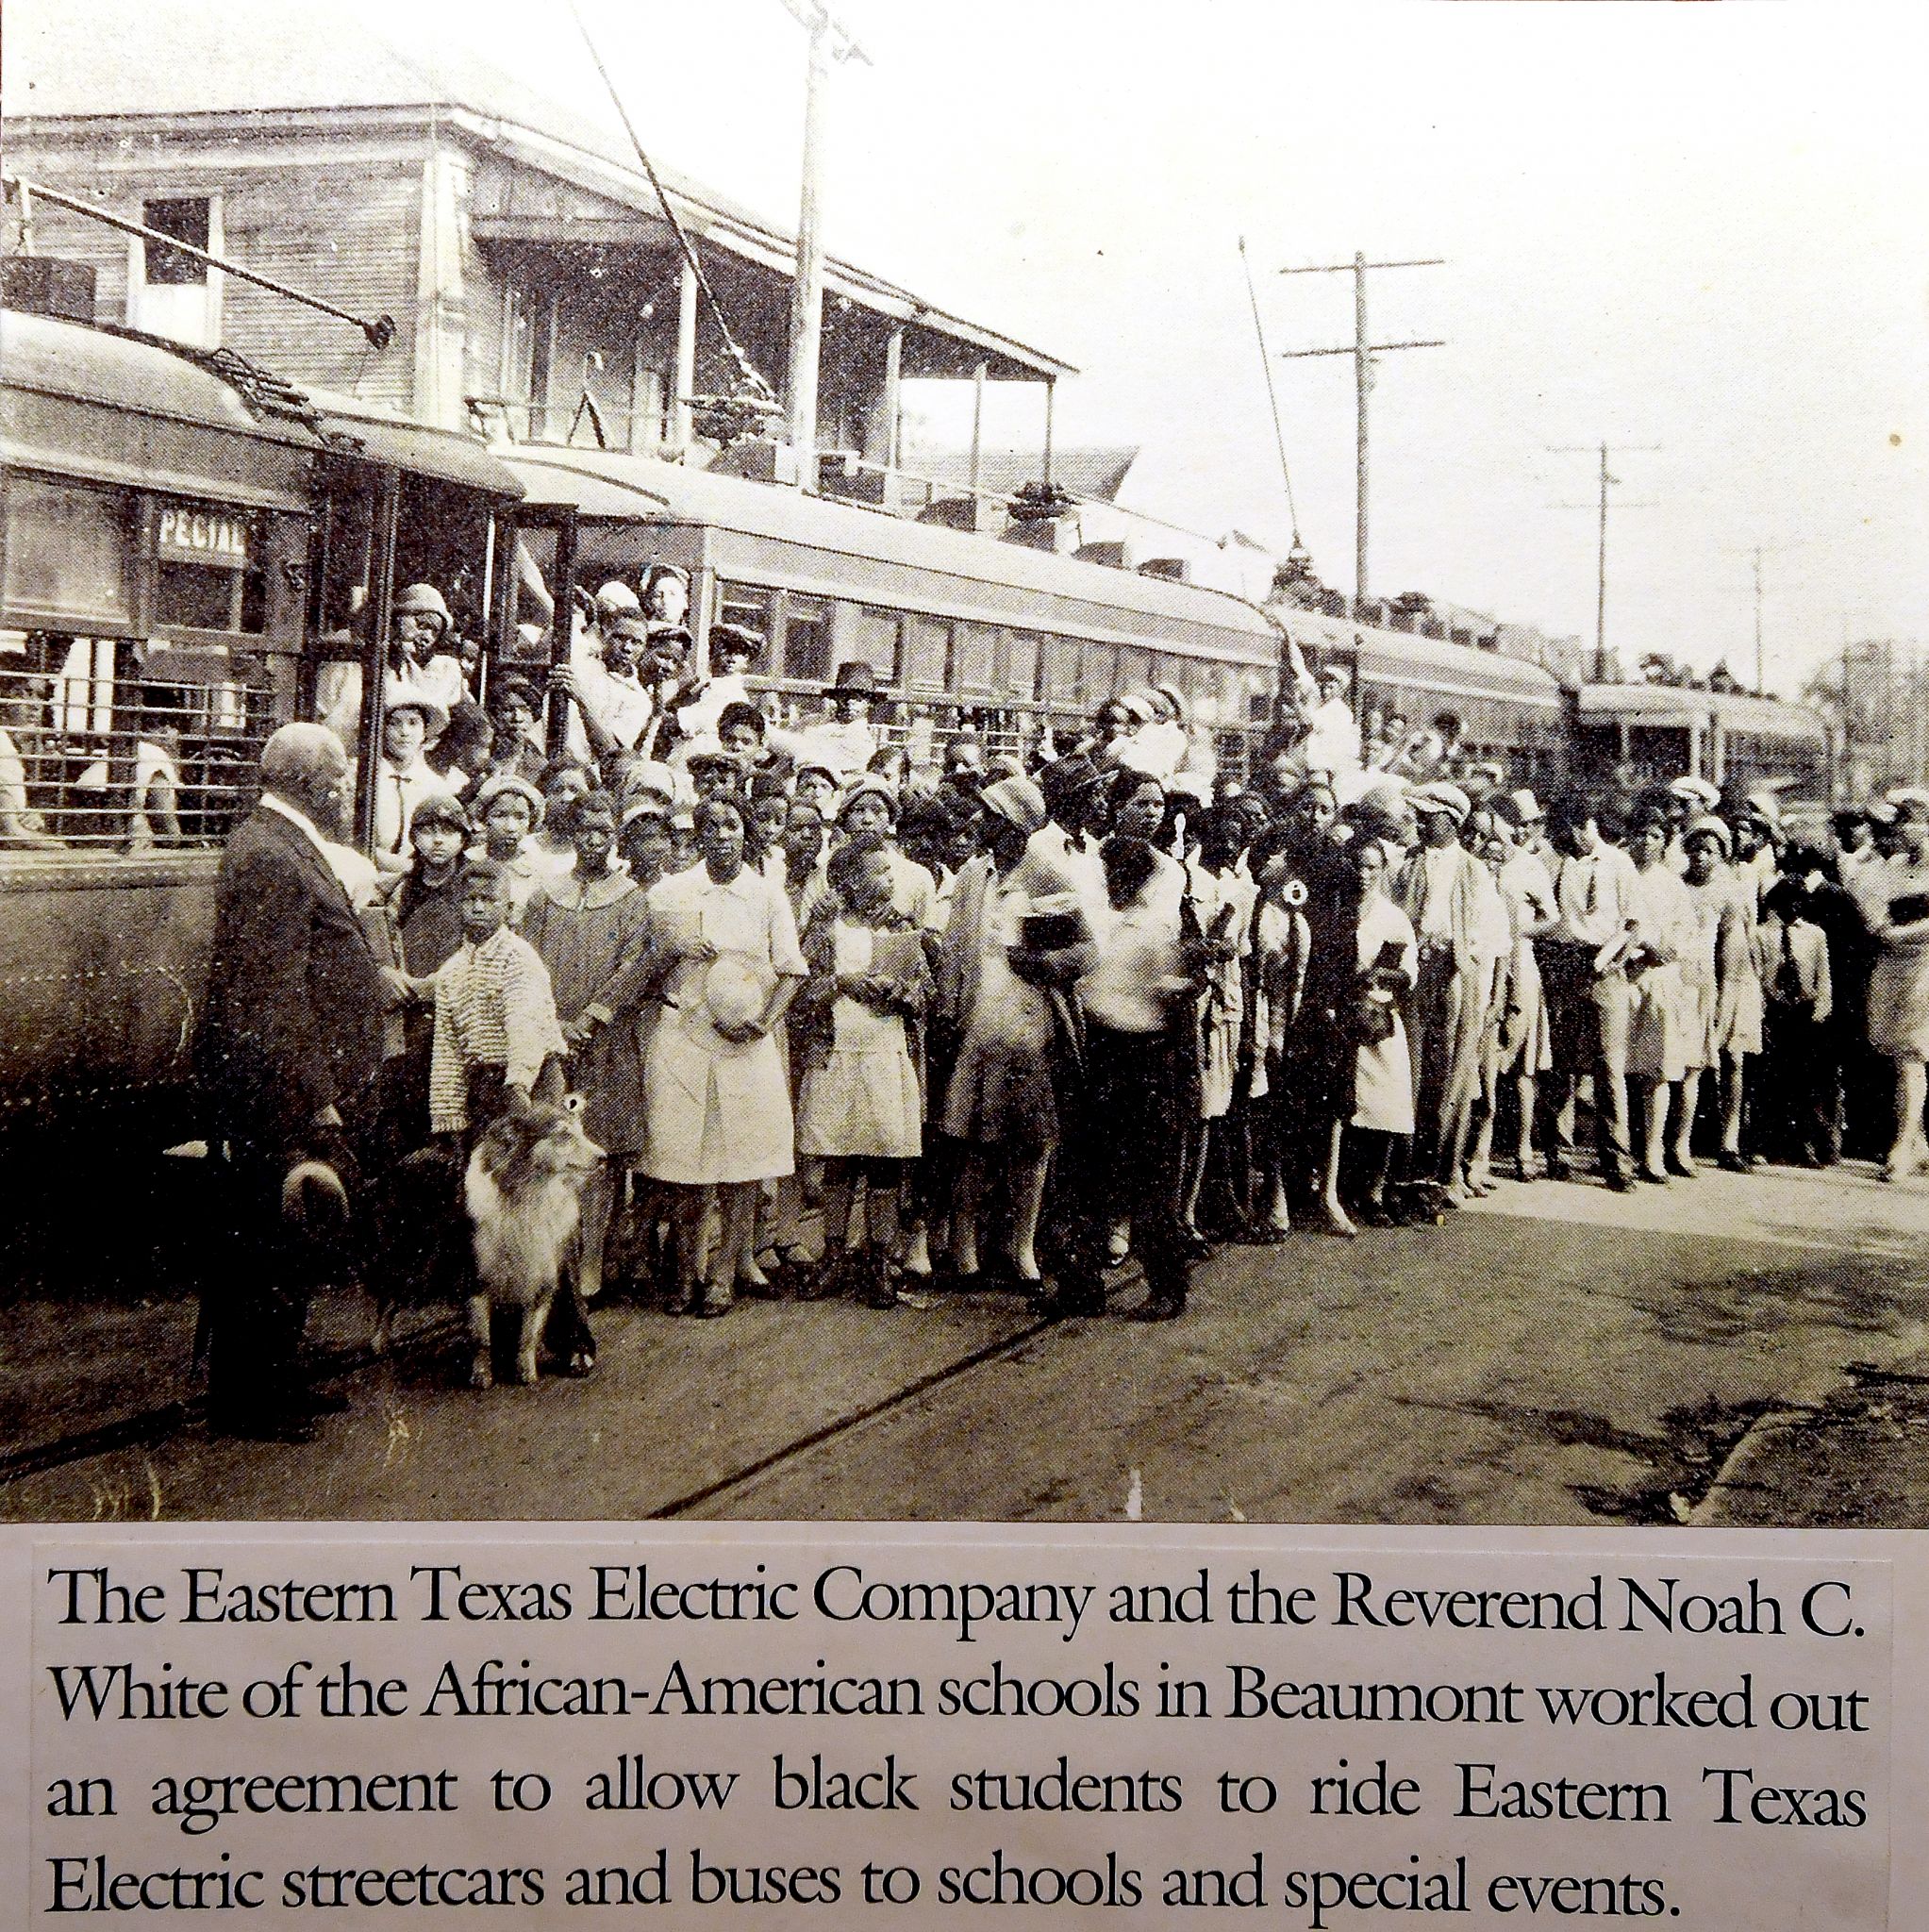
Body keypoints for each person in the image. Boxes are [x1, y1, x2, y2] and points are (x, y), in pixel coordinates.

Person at [191, 723, 397, 1441]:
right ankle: (250, 1399)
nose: (345, 790)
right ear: (315, 782)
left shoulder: (277, 842)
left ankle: (273, 1376)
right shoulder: (270, 853)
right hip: (281, 1090)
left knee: (292, 1235)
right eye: (338, 777)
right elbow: (272, 993)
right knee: (272, 1237)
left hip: (288, 1084)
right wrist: (319, 1095)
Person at [641, 792, 807, 1314]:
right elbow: (647, 967)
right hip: (684, 1036)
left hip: (743, 1043)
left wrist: (762, 1023)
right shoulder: (671, 892)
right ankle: (686, 1273)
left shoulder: (765, 894)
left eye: (731, 825)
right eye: (710, 826)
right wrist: (674, 955)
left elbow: (792, 971)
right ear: (697, 835)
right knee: (685, 1159)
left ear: (746, 832)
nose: (721, 835)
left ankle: (721, 1276)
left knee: (742, 1161)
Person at [937, 774, 1089, 1294]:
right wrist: (951, 1011)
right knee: (972, 1141)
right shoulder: (973, 876)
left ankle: (1020, 1245)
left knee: (1030, 1143)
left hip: (1029, 1026)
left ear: (1015, 824)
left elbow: (1083, 952)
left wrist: (1040, 962)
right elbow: (958, 951)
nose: (980, 822)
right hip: (979, 1024)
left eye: (992, 815)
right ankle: (965, 1249)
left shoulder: (1048, 875)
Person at [519, 790, 658, 1310]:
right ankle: (545, 1262)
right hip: (550, 1037)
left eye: (604, 832)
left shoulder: (631, 898)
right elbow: (526, 960)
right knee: (549, 1144)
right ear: (570, 835)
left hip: (606, 1037)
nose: (594, 841)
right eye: (585, 831)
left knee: (598, 1154)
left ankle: (592, 1265)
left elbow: (633, 965)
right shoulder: (545, 894)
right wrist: (553, 1022)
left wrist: (592, 1016)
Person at [792, 834, 932, 1306]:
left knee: (884, 1160)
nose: (887, 880)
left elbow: (925, 993)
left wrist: (899, 991)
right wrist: (843, 982)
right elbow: (802, 989)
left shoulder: (905, 928)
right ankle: (833, 1253)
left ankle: (880, 1259)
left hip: (884, 1055)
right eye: (876, 872)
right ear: (847, 881)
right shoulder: (828, 930)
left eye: (890, 872)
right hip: (839, 1056)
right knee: (840, 1158)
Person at [1394, 783, 1490, 1202]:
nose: (1419, 822)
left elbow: (1488, 936)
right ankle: (1401, 1170)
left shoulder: (1474, 870)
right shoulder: (1405, 864)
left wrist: (1458, 952)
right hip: (1413, 971)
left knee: (1449, 1071)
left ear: (1449, 820)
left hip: (1455, 972)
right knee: (1409, 1068)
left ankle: (1441, 1172)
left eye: (1427, 816)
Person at [1538, 798, 1639, 1190]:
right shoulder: (1559, 863)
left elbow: (1632, 922)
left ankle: (1617, 1160)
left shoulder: (1619, 863)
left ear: (1589, 824)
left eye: (1575, 830)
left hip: (1606, 969)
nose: (1571, 839)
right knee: (1561, 1062)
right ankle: (1557, 1152)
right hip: (1566, 965)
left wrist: (1616, 956)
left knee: (1609, 1067)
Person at [1681, 815, 1763, 1173]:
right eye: (1695, 848)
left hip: (1728, 982)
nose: (1701, 856)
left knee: (1731, 1059)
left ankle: (1729, 1142)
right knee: (1685, 1062)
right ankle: (1679, 1139)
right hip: (1685, 980)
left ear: (1722, 854)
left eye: (1709, 850)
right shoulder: (1676, 885)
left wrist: (1723, 1005)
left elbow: (1733, 953)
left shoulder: (1731, 890)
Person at [1346, 836, 1419, 1223]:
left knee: (1387, 1102)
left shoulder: (1393, 917)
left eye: (1372, 867)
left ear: (1382, 871)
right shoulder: (1337, 909)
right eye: (1358, 865)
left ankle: (1374, 1189)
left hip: (1377, 1017)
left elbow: (1410, 973)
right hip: (1341, 1017)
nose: (1364, 874)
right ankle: (1335, 1186)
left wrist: (1379, 974)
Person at [1624, 807, 1698, 1183]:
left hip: (1658, 978)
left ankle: (1653, 1153)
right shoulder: (1618, 873)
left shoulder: (1671, 884)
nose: (1646, 842)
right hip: (1622, 976)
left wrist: (1663, 949)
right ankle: (1621, 1152)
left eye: (1655, 836)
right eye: (1640, 834)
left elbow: (1685, 934)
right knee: (1619, 1069)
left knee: (1657, 1070)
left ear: (1665, 841)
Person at [1864, 793, 1929, 1182]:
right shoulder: (1894, 866)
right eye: (1901, 823)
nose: (1903, 831)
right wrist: (1884, 930)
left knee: (1912, 1055)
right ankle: (1917, 1140)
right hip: (1891, 964)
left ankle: (1902, 1146)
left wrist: (1900, 934)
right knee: (1896, 1056)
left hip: (1925, 963)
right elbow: (1874, 910)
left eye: (1910, 822)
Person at [1755, 874, 1835, 1167]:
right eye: (1788, 901)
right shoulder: (1762, 934)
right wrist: (1764, 1009)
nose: (1794, 907)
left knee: (1807, 1083)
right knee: (1774, 1080)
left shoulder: (1814, 934)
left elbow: (1823, 977)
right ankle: (1771, 1143)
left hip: (1806, 1014)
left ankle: (1808, 1144)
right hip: (1776, 1013)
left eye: (1800, 901)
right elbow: (1761, 975)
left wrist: (1820, 1010)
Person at [370, 681, 459, 873]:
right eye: (394, 723)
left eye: (413, 723)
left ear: (424, 731)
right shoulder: (361, 777)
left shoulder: (435, 786)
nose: (404, 732)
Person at [469, 774, 548, 917]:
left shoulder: (539, 868)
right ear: (485, 818)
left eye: (520, 817)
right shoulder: (468, 861)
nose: (511, 827)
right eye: (500, 815)